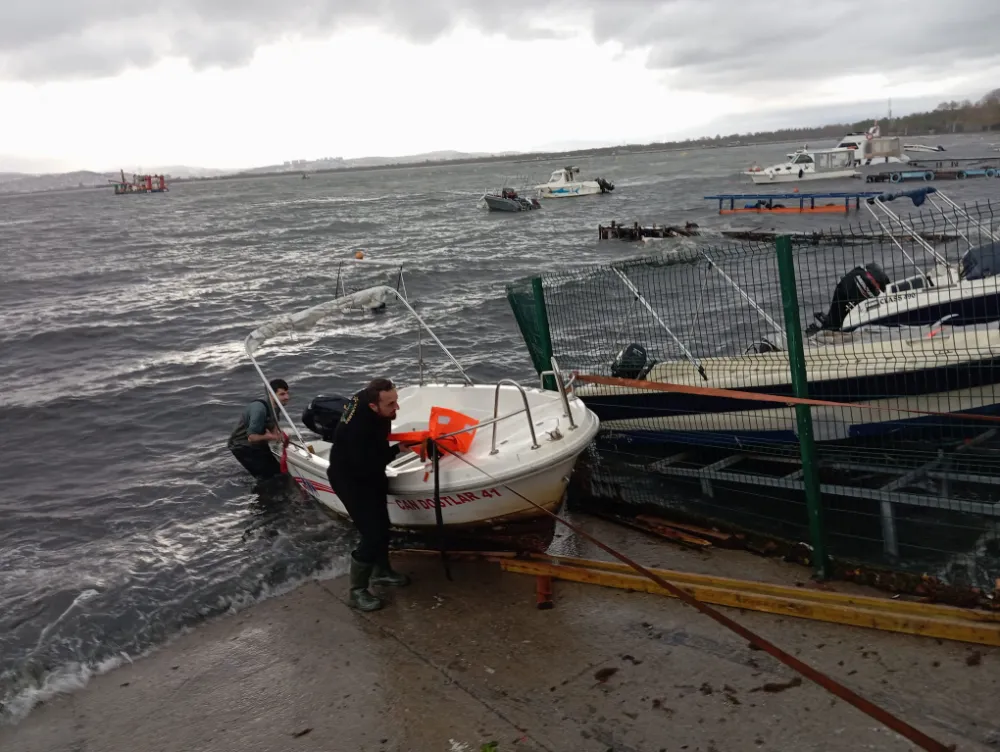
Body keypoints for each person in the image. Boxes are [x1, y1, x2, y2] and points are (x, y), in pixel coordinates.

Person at [327, 377, 411, 611]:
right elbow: (368, 462)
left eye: (396, 400)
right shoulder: (357, 429)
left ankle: (381, 571)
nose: (397, 408)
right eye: (391, 405)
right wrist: (397, 450)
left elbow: (376, 453)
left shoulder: (369, 398)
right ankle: (357, 591)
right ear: (373, 406)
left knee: (383, 525)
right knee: (372, 534)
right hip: (351, 479)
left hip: (371, 473)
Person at [227, 379, 290, 480]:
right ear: (271, 394)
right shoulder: (259, 409)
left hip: (259, 442)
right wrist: (270, 437)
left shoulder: (276, 406)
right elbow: (251, 437)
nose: (287, 397)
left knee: (278, 471)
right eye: (282, 394)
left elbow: (272, 425)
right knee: (269, 478)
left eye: (287, 393)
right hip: (242, 445)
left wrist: (278, 436)